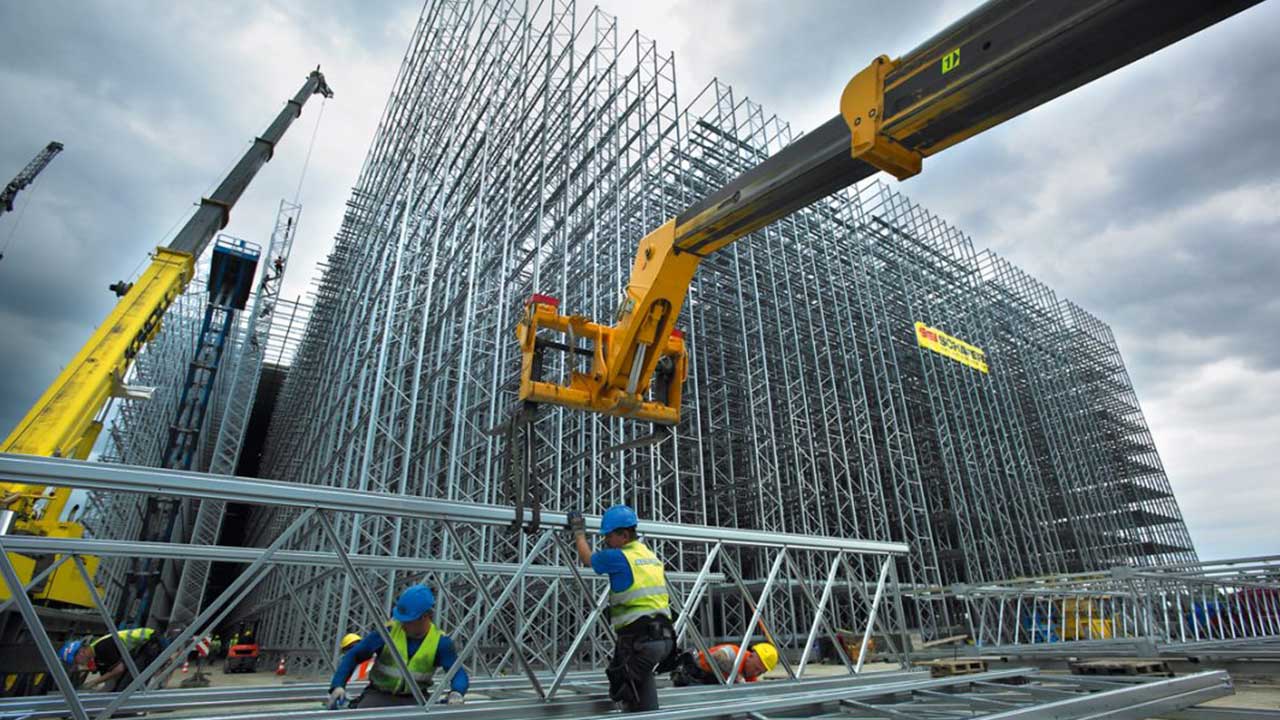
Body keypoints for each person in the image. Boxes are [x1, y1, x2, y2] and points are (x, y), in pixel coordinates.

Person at [568, 504, 675, 712]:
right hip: (665, 639)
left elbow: (588, 559)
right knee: (640, 690)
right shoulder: (650, 556)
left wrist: (578, 532)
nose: (606, 541)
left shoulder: (618, 557)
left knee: (624, 689)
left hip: (640, 642)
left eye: (608, 536)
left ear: (624, 535)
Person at [327, 585, 468, 709]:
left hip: (416, 699)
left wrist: (457, 692)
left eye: (408, 621)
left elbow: (457, 672)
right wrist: (338, 686)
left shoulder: (440, 643)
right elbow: (354, 655)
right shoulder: (387, 633)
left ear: (425, 617)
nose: (402, 624)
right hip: (378, 695)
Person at [60, 627, 172, 691]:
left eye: (76, 661)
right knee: (120, 687)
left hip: (152, 641)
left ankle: (132, 708)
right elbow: (112, 675)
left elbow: (118, 670)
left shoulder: (102, 648)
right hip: (145, 644)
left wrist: (94, 682)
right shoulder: (96, 652)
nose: (78, 664)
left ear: (81, 652)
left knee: (129, 685)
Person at [670, 642, 778, 686]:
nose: (756, 673)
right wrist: (737, 676)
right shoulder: (734, 653)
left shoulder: (751, 677)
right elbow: (718, 656)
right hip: (694, 676)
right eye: (756, 668)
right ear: (750, 656)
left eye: (760, 672)